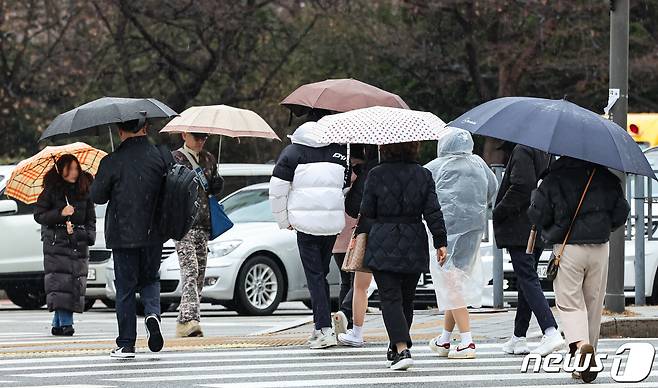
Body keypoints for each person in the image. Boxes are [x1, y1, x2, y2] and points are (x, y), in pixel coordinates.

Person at [528, 157, 629, 383]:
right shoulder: (606, 177)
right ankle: (585, 355)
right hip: (600, 247)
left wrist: (537, 195)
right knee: (593, 304)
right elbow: (621, 213)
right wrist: (603, 226)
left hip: (568, 247)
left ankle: (581, 346)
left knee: (570, 302)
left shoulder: (553, 177)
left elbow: (538, 215)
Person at [360, 141, 447, 370]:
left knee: (390, 298)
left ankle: (401, 348)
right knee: (406, 298)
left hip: (382, 239)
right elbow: (433, 210)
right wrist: (441, 241)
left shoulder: (376, 174)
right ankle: (396, 345)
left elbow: (367, 210)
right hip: (413, 239)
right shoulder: (424, 175)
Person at [269, 109, 349, 349]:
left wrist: (284, 221)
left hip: (305, 225)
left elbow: (277, 190)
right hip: (332, 224)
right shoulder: (338, 151)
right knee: (320, 274)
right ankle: (323, 326)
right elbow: (343, 186)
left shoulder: (293, 152)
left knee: (314, 275)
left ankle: (323, 329)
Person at [91, 119, 168, 359]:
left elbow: (97, 196)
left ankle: (126, 344)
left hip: (123, 235)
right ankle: (153, 314)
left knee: (125, 288)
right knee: (150, 279)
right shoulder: (161, 157)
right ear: (144, 129)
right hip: (154, 232)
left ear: (120, 131)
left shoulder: (112, 161)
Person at [425, 128, 497, 359]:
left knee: (451, 282)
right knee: (454, 282)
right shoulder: (479, 164)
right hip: (474, 229)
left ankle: (467, 341)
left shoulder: (435, 167)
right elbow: (492, 189)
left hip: (444, 233)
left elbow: (422, 194)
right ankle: (445, 339)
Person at [493, 143, 563, 356]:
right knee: (526, 279)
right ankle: (519, 336)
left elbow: (522, 186)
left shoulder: (524, 149)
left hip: (520, 225)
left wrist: (499, 210)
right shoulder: (545, 150)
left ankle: (550, 330)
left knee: (527, 277)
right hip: (536, 223)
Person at [34, 154, 96, 337]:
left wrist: (84, 235)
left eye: (76, 168)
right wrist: (61, 213)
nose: (74, 173)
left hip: (77, 243)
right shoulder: (51, 191)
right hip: (56, 244)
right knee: (61, 282)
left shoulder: (84, 191)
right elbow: (40, 216)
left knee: (74, 283)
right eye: (69, 168)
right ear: (60, 170)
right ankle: (66, 323)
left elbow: (90, 220)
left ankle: (58, 323)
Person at [171, 132, 224, 338]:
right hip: (182, 224)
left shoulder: (209, 158)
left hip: (203, 222)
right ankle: (190, 319)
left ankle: (185, 319)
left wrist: (217, 182)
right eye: (197, 137)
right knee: (190, 270)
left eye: (204, 137)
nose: (201, 141)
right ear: (185, 135)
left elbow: (212, 188)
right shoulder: (176, 158)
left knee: (200, 272)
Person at [335, 144, 379, 347]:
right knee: (358, 282)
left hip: (337, 229)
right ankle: (347, 314)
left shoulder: (339, 167)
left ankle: (346, 322)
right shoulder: (370, 171)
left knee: (346, 280)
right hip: (357, 230)